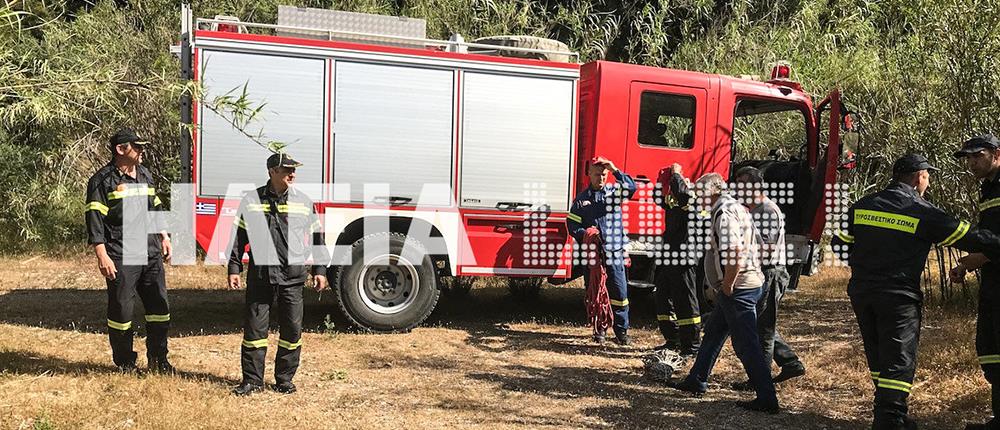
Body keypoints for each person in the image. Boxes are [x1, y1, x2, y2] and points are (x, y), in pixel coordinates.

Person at [832, 153, 1000, 429]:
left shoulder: (862, 206)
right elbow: (967, 235)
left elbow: (839, 244)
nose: (928, 183)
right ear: (918, 177)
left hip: (862, 291)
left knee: (876, 351)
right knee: (898, 358)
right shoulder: (922, 211)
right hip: (899, 295)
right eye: (928, 177)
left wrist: (865, 266)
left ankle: (885, 411)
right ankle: (891, 419)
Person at [669, 172, 779, 414]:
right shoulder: (736, 207)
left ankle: (767, 397)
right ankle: (697, 379)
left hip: (738, 288)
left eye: (699, 193)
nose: (697, 198)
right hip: (745, 283)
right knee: (714, 333)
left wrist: (728, 285)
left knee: (747, 344)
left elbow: (735, 252)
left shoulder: (724, 213)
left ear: (712, 192)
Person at [228, 152, 330, 396]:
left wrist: (320, 269)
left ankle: (284, 379)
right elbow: (238, 238)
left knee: (292, 332)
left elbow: (318, 238)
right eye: (286, 170)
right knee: (254, 331)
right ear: (272, 171)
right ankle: (252, 381)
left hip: (293, 276)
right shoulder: (251, 200)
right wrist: (234, 268)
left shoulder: (304, 201)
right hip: (260, 276)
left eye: (293, 170)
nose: (292, 174)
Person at [85, 128, 173, 374]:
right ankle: (125, 363)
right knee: (122, 312)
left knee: (159, 310)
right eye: (138, 146)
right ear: (121, 149)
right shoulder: (102, 180)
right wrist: (102, 255)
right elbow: (94, 221)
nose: (143, 150)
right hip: (121, 253)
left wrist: (164, 237)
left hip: (151, 252)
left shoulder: (145, 174)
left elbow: (155, 207)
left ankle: (159, 360)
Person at [733, 167, 805, 386]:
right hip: (758, 271)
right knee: (758, 324)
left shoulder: (767, 210)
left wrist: (737, 256)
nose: (738, 189)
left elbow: (767, 248)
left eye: (742, 184)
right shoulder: (750, 210)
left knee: (762, 329)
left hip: (769, 273)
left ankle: (759, 381)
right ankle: (790, 362)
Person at [947, 135, 1000, 430]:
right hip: (993, 283)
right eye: (968, 158)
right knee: (991, 349)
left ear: (996, 154)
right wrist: (966, 264)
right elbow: (989, 238)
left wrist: (980, 258)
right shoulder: (988, 188)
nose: (971, 163)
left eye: (976, 156)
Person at [567, 156, 637, 345]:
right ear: (589, 174)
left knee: (620, 294)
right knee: (596, 292)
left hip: (614, 251)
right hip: (594, 256)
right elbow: (572, 224)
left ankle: (621, 332)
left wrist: (615, 170)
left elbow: (631, 188)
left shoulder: (615, 193)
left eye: (604, 175)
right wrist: (585, 233)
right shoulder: (581, 201)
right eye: (597, 174)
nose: (601, 178)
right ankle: (600, 331)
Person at [652, 163, 701, 356]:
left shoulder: (690, 198)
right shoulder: (674, 200)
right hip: (669, 256)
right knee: (663, 298)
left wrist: (677, 174)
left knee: (686, 302)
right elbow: (659, 199)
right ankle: (673, 339)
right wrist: (661, 181)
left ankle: (692, 345)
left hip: (684, 257)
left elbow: (683, 194)